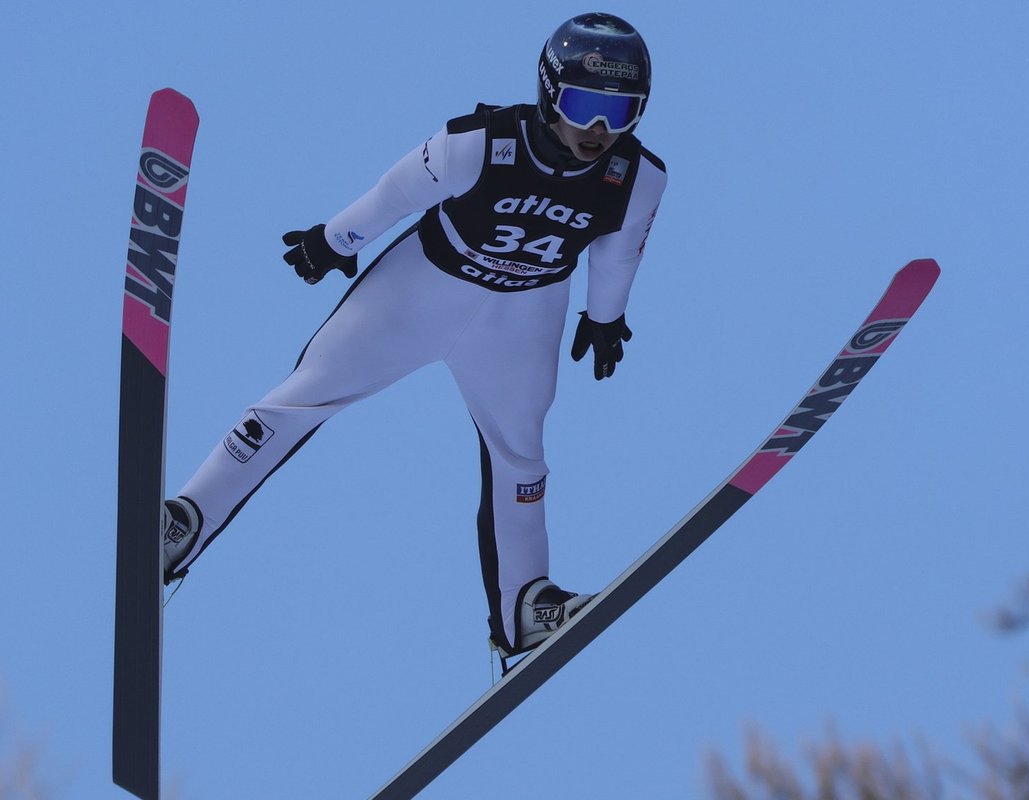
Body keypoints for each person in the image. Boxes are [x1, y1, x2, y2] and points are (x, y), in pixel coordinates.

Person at [160, 12, 667, 661]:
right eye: (585, 104)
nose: (599, 129)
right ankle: (185, 522)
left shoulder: (638, 179)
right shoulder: (480, 143)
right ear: (549, 90)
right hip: (426, 287)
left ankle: (524, 606)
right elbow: (394, 194)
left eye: (619, 112)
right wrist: (334, 241)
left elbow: (618, 253)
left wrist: (604, 315)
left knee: (521, 459)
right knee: (302, 396)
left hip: (525, 312)